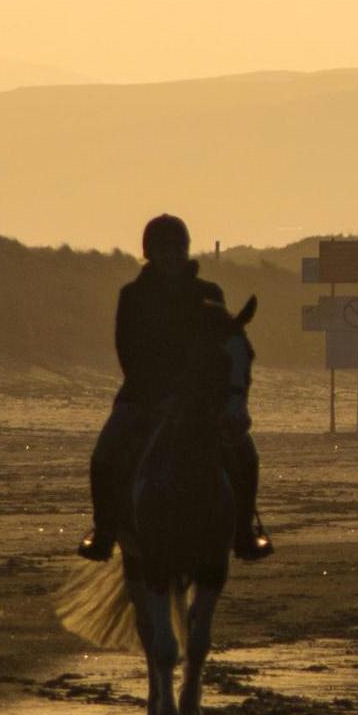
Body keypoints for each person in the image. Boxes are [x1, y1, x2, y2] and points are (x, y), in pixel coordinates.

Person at [80, 213, 266, 562]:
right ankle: (103, 531)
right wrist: (160, 394)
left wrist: (199, 392)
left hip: (201, 399)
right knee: (105, 453)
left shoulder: (209, 293)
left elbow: (222, 346)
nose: (171, 256)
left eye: (177, 249)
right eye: (164, 250)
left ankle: (245, 531)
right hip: (143, 397)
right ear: (150, 253)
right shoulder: (133, 295)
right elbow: (128, 350)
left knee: (246, 453)